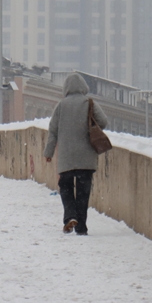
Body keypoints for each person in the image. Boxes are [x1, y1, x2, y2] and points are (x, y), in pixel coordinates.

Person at [43, 73, 108, 235]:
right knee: (83, 192)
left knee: (65, 186)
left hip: (67, 157)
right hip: (86, 157)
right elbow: (104, 122)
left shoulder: (61, 106)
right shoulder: (89, 103)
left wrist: (48, 152)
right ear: (83, 87)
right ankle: (81, 227)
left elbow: (53, 131)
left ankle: (70, 216)